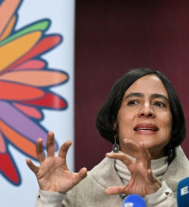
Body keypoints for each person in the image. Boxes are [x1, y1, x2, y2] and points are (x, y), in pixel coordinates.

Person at [26, 68, 189, 207]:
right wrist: (49, 200)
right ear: (114, 123)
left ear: (173, 123)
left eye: (159, 104)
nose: (146, 110)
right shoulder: (79, 192)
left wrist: (158, 197)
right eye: (133, 102)